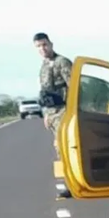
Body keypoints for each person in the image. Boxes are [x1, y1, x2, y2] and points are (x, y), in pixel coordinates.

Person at [33, 32, 73, 160]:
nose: (42, 48)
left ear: (51, 44)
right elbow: (45, 91)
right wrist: (46, 114)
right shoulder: (44, 65)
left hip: (63, 111)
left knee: (64, 145)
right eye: (38, 46)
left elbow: (73, 86)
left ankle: (71, 176)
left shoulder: (62, 62)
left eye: (45, 44)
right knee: (59, 146)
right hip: (52, 112)